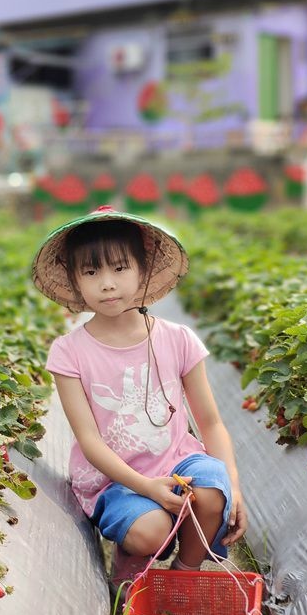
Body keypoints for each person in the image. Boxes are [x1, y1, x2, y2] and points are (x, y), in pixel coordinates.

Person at [31, 205, 246, 587]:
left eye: (119, 267)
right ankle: (130, 558)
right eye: (91, 271)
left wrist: (234, 488)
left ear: (143, 269)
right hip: (114, 479)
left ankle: (185, 575)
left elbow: (211, 423)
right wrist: (147, 488)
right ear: (75, 280)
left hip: (178, 461)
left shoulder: (178, 339)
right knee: (150, 531)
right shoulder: (69, 352)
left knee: (213, 489)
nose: (107, 284)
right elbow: (90, 441)